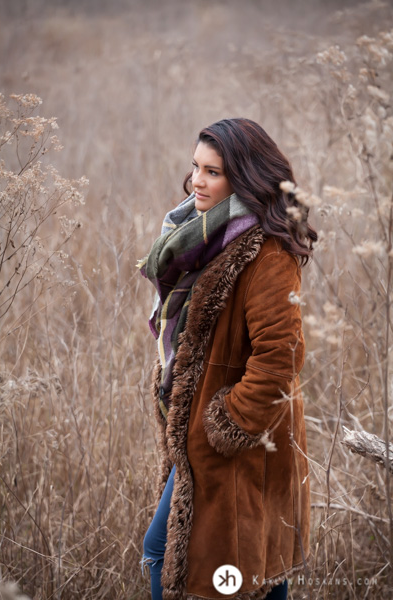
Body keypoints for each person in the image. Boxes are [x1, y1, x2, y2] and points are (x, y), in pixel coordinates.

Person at [137, 118, 317, 600]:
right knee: (256, 571)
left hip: (238, 443)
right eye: (195, 167)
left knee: (174, 560)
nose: (197, 180)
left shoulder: (267, 253)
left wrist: (225, 424)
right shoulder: (204, 237)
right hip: (205, 437)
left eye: (212, 172)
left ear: (245, 177)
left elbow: (281, 358)